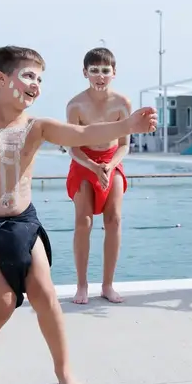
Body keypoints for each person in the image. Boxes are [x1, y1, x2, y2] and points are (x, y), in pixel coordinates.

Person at [0, 46, 157, 384]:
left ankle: (64, 369)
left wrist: (127, 126)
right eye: (28, 76)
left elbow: (80, 134)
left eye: (40, 79)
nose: (36, 85)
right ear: (1, 79)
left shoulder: (37, 127)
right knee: (3, 302)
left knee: (46, 296)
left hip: (23, 222)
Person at [64, 48, 132, 304]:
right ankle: (82, 285)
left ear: (114, 73)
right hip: (84, 162)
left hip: (112, 161)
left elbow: (125, 144)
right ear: (85, 73)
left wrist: (110, 166)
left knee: (113, 219)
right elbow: (72, 146)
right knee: (84, 222)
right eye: (94, 71)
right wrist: (94, 167)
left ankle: (108, 285)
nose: (100, 76)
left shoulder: (123, 104)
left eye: (105, 71)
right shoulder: (75, 105)